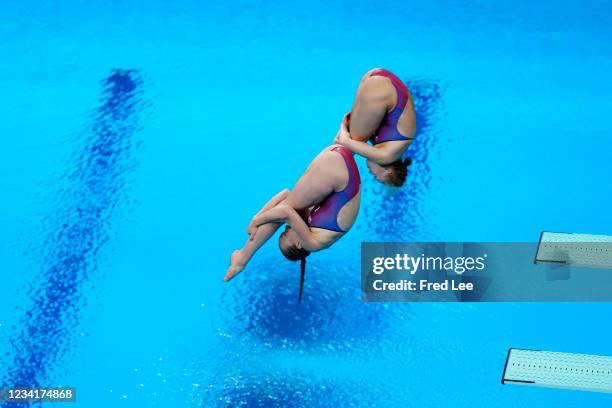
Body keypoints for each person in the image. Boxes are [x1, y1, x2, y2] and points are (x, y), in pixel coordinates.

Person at [224, 144, 361, 301]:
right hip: (336, 168)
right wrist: (256, 221)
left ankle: (242, 257)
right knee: (283, 211)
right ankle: (242, 258)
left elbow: (284, 195)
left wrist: (259, 215)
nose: (286, 229)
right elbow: (284, 212)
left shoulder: (314, 227)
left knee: (284, 208)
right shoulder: (313, 244)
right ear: (298, 244)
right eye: (284, 235)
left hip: (340, 157)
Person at [335, 68, 416, 186]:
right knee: (342, 151)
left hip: (381, 77)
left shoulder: (390, 146)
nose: (370, 172)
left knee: (345, 148)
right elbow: (344, 141)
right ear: (388, 172)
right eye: (376, 176)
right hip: (380, 89)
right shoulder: (386, 156)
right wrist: (343, 125)